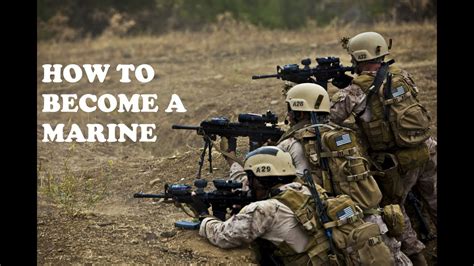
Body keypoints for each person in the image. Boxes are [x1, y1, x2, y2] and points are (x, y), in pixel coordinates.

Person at [220, 83, 411, 265]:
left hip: (335, 229)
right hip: (368, 220)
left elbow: (258, 182)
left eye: (289, 109)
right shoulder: (345, 135)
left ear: (299, 111)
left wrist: (233, 162)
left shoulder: (290, 144)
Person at [329, 31, 437, 265]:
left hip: (398, 162)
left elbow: (330, 118)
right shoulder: (402, 75)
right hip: (427, 148)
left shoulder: (355, 91)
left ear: (359, 57)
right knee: (434, 197)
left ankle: (417, 255)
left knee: (392, 208)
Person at [196, 146, 394, 265]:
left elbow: (222, 235)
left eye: (251, 178)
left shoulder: (265, 209)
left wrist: (204, 216)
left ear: (260, 180)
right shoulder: (308, 189)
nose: (249, 184)